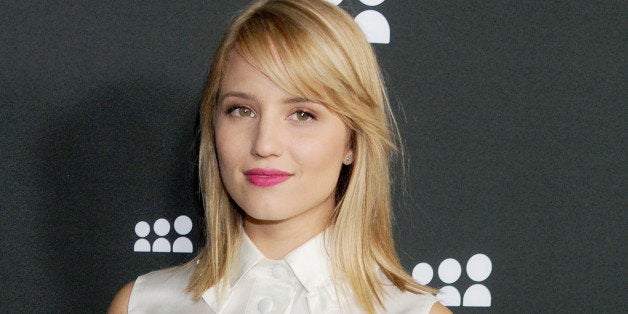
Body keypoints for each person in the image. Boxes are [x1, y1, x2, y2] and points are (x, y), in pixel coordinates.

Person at [109, 0, 450, 313]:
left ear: (353, 141)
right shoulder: (141, 306)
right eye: (241, 110)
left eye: (302, 114)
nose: (265, 143)